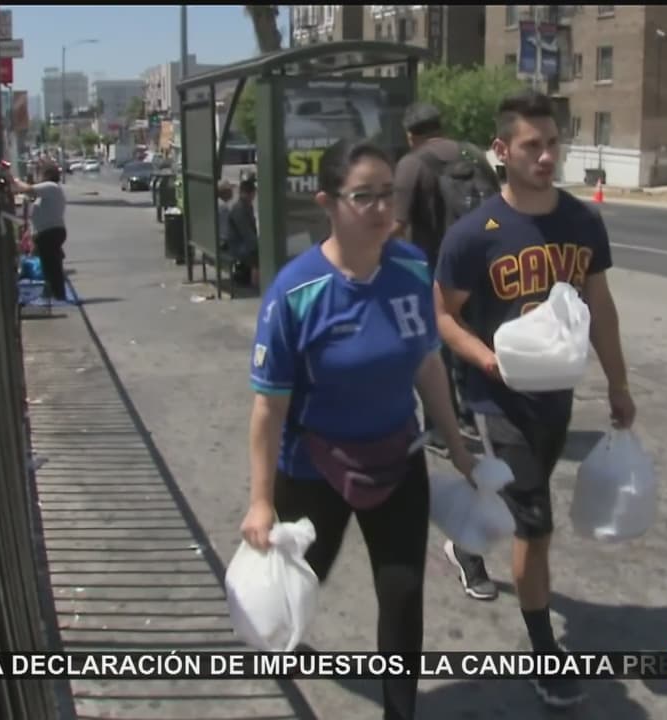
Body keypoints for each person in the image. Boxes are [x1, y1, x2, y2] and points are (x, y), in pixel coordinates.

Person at [240, 137, 476, 720]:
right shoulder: (296, 291)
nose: (380, 210)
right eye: (362, 197)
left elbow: (426, 364)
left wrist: (458, 445)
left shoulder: (411, 268)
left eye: (386, 196)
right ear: (329, 202)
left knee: (402, 595)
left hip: (397, 459)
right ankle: (280, 645)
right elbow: (268, 408)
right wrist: (261, 503)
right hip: (313, 468)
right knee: (302, 579)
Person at [432, 90, 638, 708]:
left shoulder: (582, 222)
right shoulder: (475, 234)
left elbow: (600, 308)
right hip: (498, 401)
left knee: (515, 503)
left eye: (553, 143)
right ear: (503, 151)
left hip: (555, 399)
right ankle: (545, 653)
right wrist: (485, 359)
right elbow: (442, 316)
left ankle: (465, 543)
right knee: (536, 525)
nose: (547, 156)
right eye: (532, 146)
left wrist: (619, 383)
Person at [392, 102, 501, 456]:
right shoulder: (473, 154)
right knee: (474, 339)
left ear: (412, 135)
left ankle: (442, 427)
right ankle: (479, 415)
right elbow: (499, 208)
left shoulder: (412, 164)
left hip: (435, 270)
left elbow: (396, 224)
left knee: (434, 349)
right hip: (482, 267)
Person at [8, 165, 69, 302]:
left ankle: (56, 294)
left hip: (50, 232)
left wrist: (14, 180)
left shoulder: (50, 186)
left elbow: (28, 190)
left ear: (46, 174)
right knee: (49, 264)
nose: (38, 177)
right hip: (47, 232)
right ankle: (54, 293)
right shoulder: (50, 189)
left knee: (50, 266)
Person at [226, 176, 260, 287]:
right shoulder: (239, 209)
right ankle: (255, 281)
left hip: (241, 243)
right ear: (250, 193)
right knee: (258, 253)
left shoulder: (246, 206)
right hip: (238, 246)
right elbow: (247, 235)